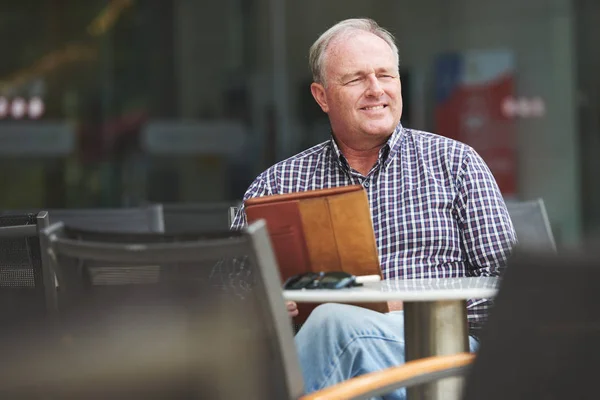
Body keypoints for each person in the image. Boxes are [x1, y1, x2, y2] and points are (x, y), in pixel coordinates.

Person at [231, 18, 516, 400]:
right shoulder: (275, 186)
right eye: (355, 79)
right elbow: (227, 290)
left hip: (442, 359)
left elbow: (511, 290)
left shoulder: (455, 164)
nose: (376, 90)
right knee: (332, 330)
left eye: (385, 75)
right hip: (327, 362)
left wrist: (413, 309)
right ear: (322, 96)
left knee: (335, 322)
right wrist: (267, 305)